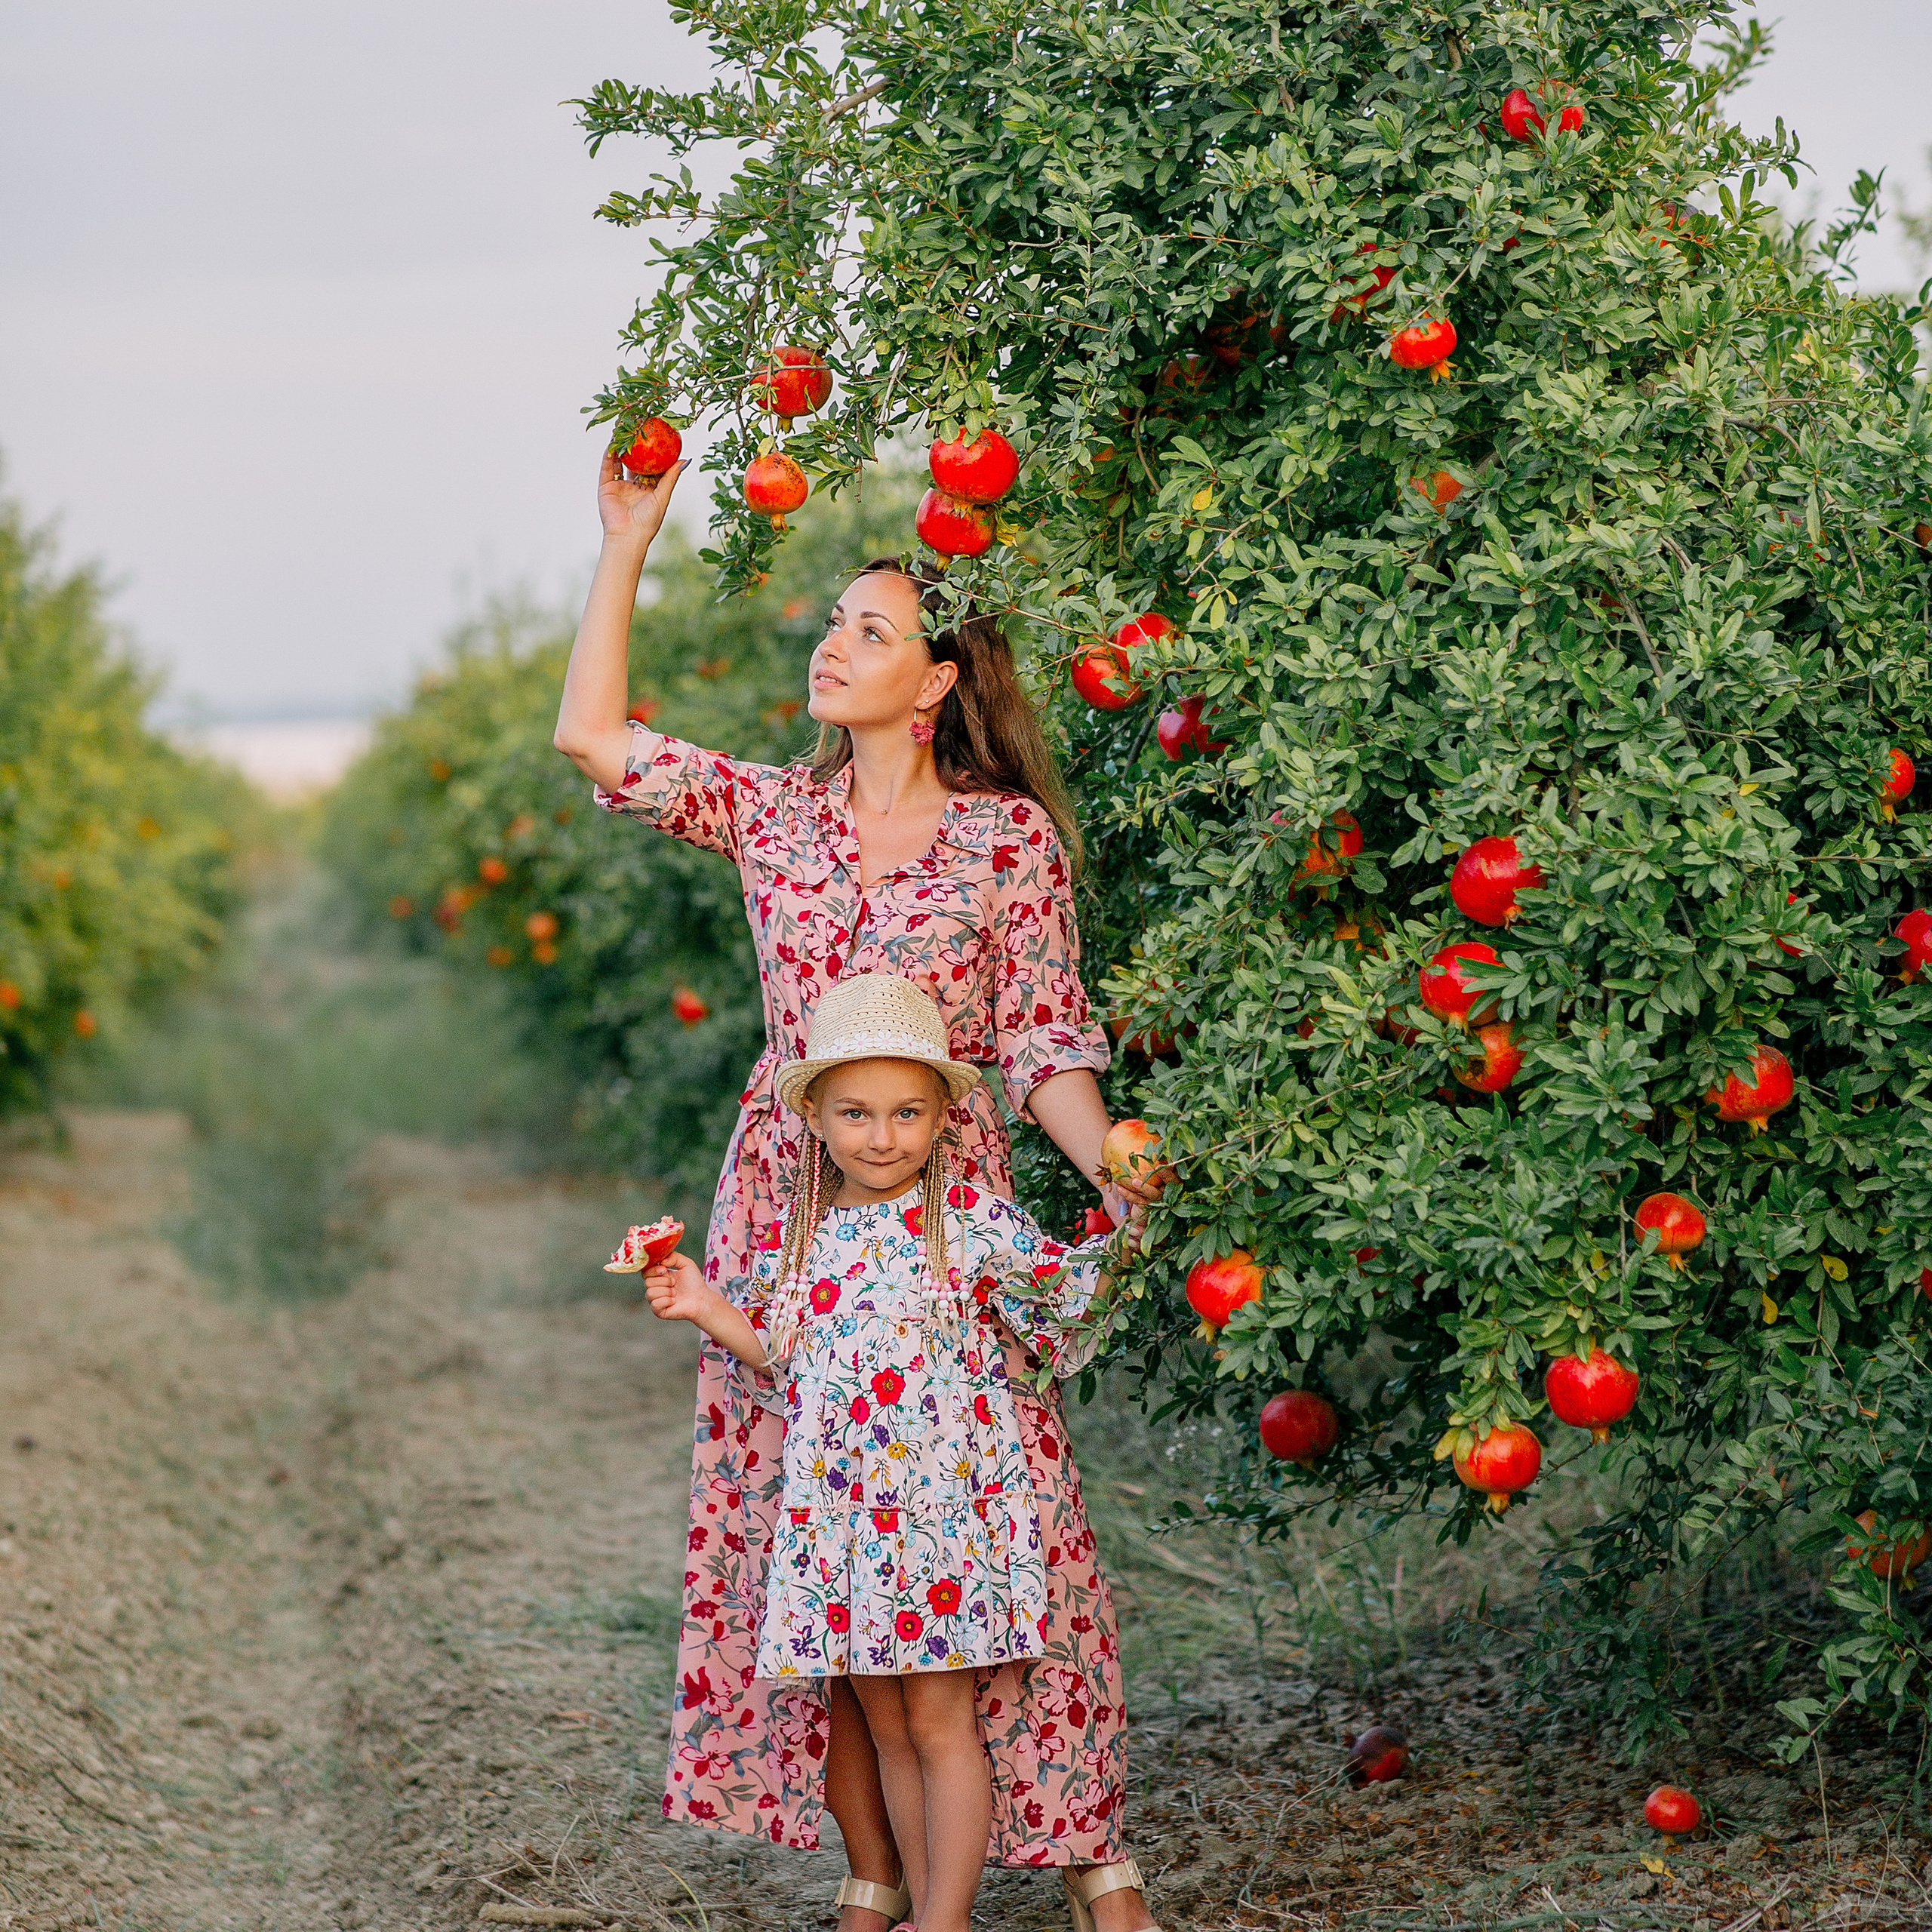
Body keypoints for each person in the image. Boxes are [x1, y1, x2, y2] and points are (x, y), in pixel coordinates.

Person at [553, 451, 1161, 1932]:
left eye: (870, 628)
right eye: (832, 620)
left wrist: (1117, 1166)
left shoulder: (1004, 838)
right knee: (804, 1522)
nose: (832, 644)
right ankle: (875, 1867)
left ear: (941, 678)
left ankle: (1091, 1851)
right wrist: (629, 538)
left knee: (1013, 1519)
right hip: (789, 1208)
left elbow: (1040, 1042)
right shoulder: (774, 815)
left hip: (953, 1218)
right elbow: (590, 735)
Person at [640, 971, 1137, 1932]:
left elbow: (1070, 1294)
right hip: (843, 1519)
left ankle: (944, 1920)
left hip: (946, 1524)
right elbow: (783, 1355)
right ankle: (925, 1906)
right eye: (857, 1113)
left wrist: (1135, 1212)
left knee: (944, 1725)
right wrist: (704, 1303)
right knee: (889, 1727)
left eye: (907, 1111)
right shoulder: (804, 1239)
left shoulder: (970, 1222)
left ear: (944, 1113)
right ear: (816, 1120)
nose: (882, 1136)